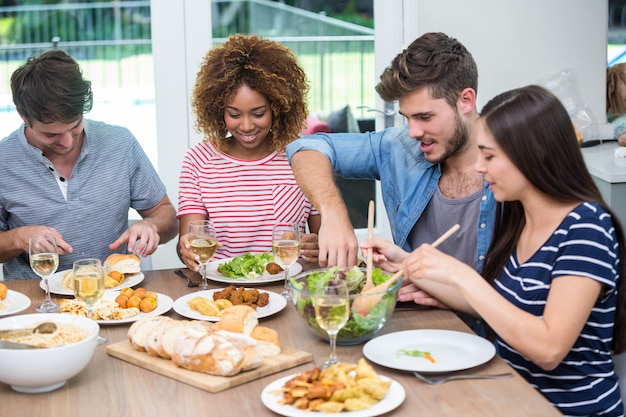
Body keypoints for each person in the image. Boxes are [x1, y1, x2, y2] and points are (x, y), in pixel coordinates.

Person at [363, 85, 626, 416]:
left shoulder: (586, 228)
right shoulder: (519, 217)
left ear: (532, 154)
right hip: (510, 396)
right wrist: (406, 263)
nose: (479, 168)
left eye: (489, 156)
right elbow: (495, 307)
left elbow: (548, 348)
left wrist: (462, 275)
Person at [286, 31, 496, 305]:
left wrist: (454, 297)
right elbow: (306, 149)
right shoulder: (399, 147)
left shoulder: (515, 170)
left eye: (424, 117)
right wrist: (333, 215)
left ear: (466, 100)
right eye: (407, 118)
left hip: (488, 337)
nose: (412, 132)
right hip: (413, 323)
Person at [0, 50, 178, 280]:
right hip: (35, 303)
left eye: (74, 126)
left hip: (114, 297)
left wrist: (152, 226)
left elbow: (168, 217)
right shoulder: (4, 160)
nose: (66, 142)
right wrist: (18, 238)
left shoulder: (120, 142)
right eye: (51, 134)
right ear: (23, 116)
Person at [176, 34, 320, 272]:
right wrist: (187, 250)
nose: (246, 126)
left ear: (278, 108)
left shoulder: (303, 157)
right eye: (234, 115)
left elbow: (324, 237)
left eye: (258, 113)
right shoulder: (199, 160)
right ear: (218, 111)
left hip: (288, 285)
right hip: (221, 290)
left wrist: (318, 245)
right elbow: (189, 244)